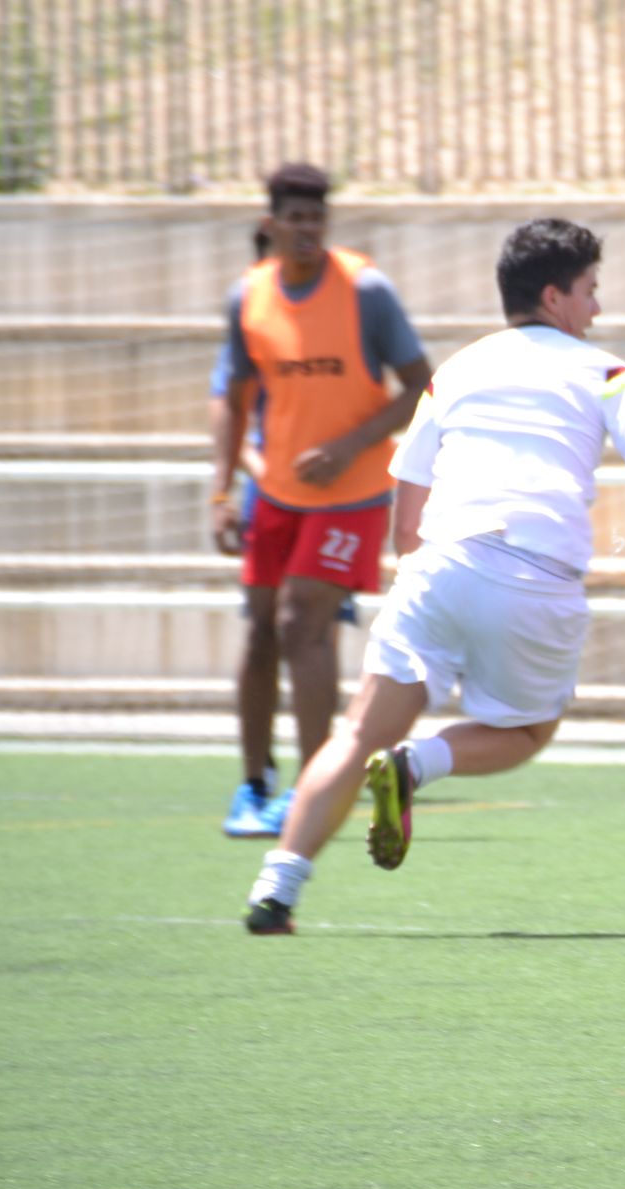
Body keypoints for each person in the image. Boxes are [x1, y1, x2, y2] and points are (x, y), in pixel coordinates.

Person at [242, 217, 625, 934]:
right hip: (532, 577)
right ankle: (417, 766)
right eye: (590, 290)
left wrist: (425, 581)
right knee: (526, 731)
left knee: (356, 733)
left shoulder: (455, 372)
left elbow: (409, 501)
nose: (597, 308)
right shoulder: (607, 373)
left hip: (437, 566)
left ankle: (275, 890)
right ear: (555, 297)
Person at [210, 163, 431, 838]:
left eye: (317, 218)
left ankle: (312, 788)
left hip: (353, 493)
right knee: (261, 629)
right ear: (271, 223)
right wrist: (222, 488)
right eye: (295, 218)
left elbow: (421, 383)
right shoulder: (249, 296)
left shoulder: (365, 291)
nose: (308, 229)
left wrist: (349, 444)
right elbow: (232, 398)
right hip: (276, 491)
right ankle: (254, 784)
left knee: (302, 621)